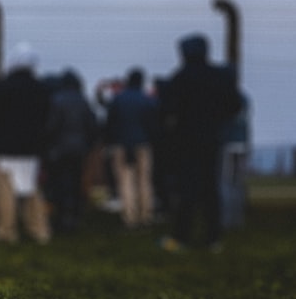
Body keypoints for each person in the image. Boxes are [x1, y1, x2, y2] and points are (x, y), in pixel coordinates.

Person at [158, 34, 244, 251]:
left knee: (186, 189)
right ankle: (213, 238)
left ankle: (181, 237)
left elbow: (166, 109)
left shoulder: (180, 78)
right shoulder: (219, 77)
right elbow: (235, 105)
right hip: (212, 138)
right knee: (210, 189)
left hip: (186, 140)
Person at [0, 43, 52, 245]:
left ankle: (6, 231)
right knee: (31, 190)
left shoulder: (4, 87)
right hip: (31, 149)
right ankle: (39, 230)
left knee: (5, 192)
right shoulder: (41, 89)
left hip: (4, 149)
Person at [43, 69, 99, 234]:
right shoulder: (83, 101)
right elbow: (92, 126)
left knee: (60, 184)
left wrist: (48, 145)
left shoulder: (56, 100)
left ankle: (62, 218)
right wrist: (88, 145)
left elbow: (51, 127)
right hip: (79, 150)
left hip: (59, 150)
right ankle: (74, 216)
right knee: (75, 183)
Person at [104, 68, 160, 230]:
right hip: (143, 144)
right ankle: (146, 216)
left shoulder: (118, 99)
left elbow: (110, 123)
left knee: (126, 182)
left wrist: (110, 141)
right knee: (145, 181)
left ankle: (130, 218)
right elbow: (153, 125)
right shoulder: (148, 100)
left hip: (121, 145)